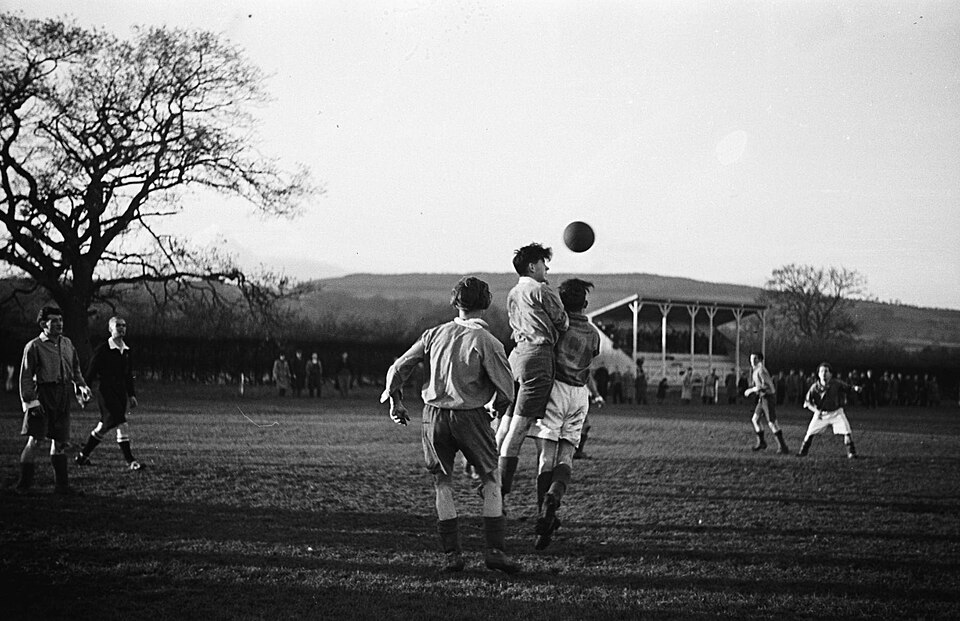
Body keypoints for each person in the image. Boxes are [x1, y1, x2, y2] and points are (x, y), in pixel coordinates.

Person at [381, 276, 519, 574]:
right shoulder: (488, 342)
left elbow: (397, 367)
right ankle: (495, 551)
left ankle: (452, 555)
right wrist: (495, 409)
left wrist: (395, 401)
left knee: (442, 484)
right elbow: (507, 389)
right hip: (470, 416)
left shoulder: (433, 334)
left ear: (456, 303)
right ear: (485, 303)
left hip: (434, 416)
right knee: (491, 479)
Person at [526, 279, 602, 549]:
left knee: (546, 456)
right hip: (579, 395)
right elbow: (591, 358)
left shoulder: (556, 328)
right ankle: (555, 496)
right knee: (567, 454)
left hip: (555, 391)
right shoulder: (593, 334)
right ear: (585, 304)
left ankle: (542, 512)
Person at [496, 243, 569, 505]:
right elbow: (562, 321)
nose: (546, 267)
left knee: (505, 425)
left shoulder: (513, 292)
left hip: (516, 355)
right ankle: (498, 494)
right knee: (519, 429)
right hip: (538, 357)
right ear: (532, 266)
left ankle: (490, 479)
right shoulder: (540, 290)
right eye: (543, 263)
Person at [14, 306, 92, 495]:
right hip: (42, 395)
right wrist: (31, 402)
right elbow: (25, 377)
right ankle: (23, 486)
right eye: (54, 320)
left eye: (60, 320)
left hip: (63, 395)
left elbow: (75, 370)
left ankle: (62, 486)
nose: (59, 324)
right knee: (35, 440)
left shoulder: (67, 343)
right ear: (43, 324)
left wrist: (82, 386)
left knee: (60, 441)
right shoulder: (34, 346)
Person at [75, 316, 143, 470]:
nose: (121, 328)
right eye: (118, 325)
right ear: (110, 329)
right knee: (121, 423)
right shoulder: (103, 349)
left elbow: (128, 375)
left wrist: (131, 395)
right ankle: (130, 461)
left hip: (120, 394)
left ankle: (82, 456)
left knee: (104, 427)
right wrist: (85, 389)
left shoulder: (126, 350)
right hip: (106, 393)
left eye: (124, 325)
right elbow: (91, 371)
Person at [798, 362, 860, 459]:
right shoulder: (814, 387)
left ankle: (851, 452)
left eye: (826, 371)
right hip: (821, 414)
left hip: (836, 413)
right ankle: (803, 451)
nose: (824, 374)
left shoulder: (836, 383)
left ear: (830, 374)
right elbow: (807, 403)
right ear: (818, 374)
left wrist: (855, 388)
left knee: (847, 430)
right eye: (821, 371)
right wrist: (816, 411)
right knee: (810, 432)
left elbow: (848, 388)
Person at [743, 352, 790, 454]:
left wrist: (751, 390)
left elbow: (766, 386)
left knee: (772, 422)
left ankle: (783, 447)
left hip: (768, 397)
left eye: (755, 359)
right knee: (755, 419)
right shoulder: (756, 370)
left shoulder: (761, 371)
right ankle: (761, 443)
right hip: (762, 397)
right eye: (751, 359)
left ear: (760, 359)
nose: (752, 361)